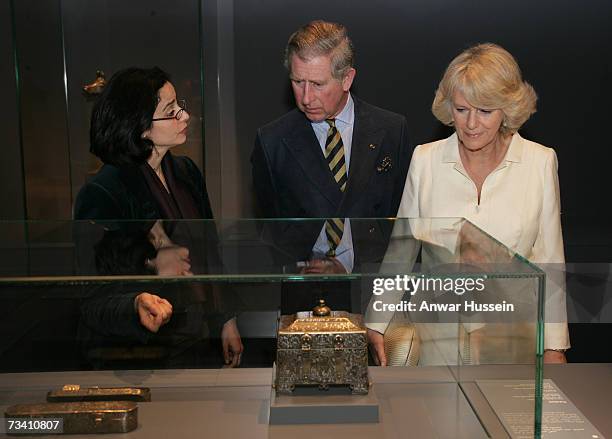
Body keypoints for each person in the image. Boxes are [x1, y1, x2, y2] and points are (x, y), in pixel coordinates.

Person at [368, 43, 569, 365]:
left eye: (485, 111)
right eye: (461, 110)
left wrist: (554, 346)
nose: (471, 124)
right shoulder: (425, 160)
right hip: (440, 333)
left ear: (508, 108)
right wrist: (377, 323)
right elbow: (401, 251)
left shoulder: (539, 162)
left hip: (513, 334)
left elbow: (549, 259)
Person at [74, 67, 243, 367]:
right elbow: (95, 296)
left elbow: (210, 251)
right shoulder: (104, 191)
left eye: (180, 106)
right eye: (170, 111)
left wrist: (226, 320)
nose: (184, 116)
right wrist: (136, 303)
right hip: (142, 355)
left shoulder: (186, 171)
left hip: (196, 338)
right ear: (140, 127)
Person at [251, 20, 411, 314]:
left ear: (347, 78)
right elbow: (272, 228)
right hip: (304, 294)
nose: (306, 97)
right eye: (298, 82)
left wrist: (350, 263)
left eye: (318, 84)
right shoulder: (272, 141)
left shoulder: (391, 130)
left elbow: (400, 222)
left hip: (375, 291)